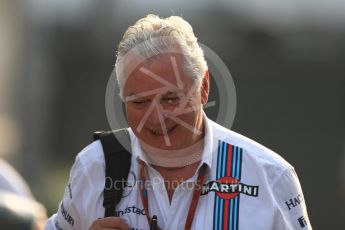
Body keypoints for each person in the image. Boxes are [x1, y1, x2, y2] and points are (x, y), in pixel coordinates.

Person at [45, 14, 312, 230]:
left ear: (203, 87)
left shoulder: (271, 176)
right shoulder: (94, 166)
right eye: (139, 102)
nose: (157, 117)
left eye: (171, 99)